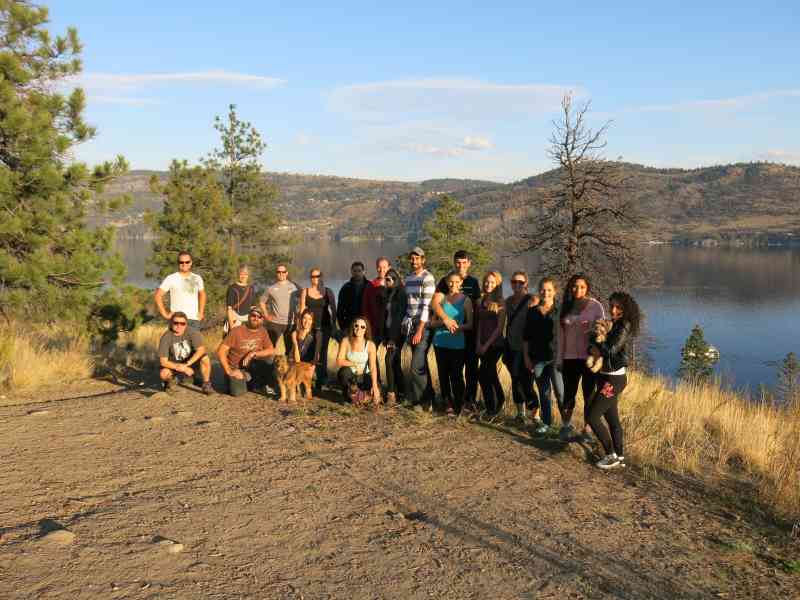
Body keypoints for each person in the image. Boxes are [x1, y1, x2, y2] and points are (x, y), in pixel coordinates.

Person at [588, 291, 641, 469]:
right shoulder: (615, 323)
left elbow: (610, 350)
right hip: (606, 376)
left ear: (625, 309)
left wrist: (594, 341)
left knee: (592, 416)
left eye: (618, 307)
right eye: (611, 305)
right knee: (612, 420)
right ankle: (619, 456)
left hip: (614, 379)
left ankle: (610, 454)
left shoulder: (623, 325)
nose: (613, 309)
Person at [559, 274, 606, 441]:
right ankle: (565, 426)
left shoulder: (595, 306)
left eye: (582, 287)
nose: (578, 290)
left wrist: (598, 353)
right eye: (574, 286)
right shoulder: (565, 306)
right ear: (570, 287)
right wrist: (559, 358)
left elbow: (602, 331)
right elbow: (560, 335)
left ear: (587, 288)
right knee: (569, 394)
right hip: (569, 358)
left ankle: (587, 430)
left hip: (588, 359)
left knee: (589, 395)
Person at [432, 250, 482, 409]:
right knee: (453, 370)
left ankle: (469, 401)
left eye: (464, 262)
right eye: (458, 262)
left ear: (469, 263)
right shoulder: (444, 281)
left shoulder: (473, 282)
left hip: (468, 333)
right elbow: (435, 303)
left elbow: (478, 305)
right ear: (454, 263)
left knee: (471, 369)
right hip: (447, 334)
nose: (461, 265)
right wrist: (445, 319)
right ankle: (451, 400)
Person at [523, 277, 564, 435]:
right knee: (544, 392)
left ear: (554, 291)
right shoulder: (532, 312)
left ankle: (565, 425)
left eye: (549, 290)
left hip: (556, 357)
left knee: (560, 393)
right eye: (543, 289)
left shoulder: (560, 310)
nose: (545, 293)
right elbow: (526, 337)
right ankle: (547, 423)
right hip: (537, 358)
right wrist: (527, 358)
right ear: (539, 291)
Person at [429, 272, 473, 416]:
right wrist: (444, 322)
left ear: (461, 283)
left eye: (456, 282)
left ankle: (459, 403)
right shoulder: (441, 299)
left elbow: (470, 324)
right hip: (440, 342)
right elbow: (431, 322)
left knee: (456, 375)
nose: (453, 284)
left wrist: (457, 327)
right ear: (447, 282)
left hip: (457, 343)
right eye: (450, 282)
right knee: (443, 374)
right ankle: (447, 402)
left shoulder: (466, 300)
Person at [402, 247, 436, 409]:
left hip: (423, 326)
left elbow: (426, 306)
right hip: (410, 324)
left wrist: (420, 329)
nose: (414, 261)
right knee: (421, 365)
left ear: (423, 260)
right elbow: (409, 304)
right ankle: (429, 398)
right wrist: (405, 322)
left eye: (418, 258)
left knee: (416, 366)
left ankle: (421, 401)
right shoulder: (408, 278)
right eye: (412, 258)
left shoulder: (427, 278)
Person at [217, 306, 275, 397]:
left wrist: (253, 353)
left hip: (252, 367)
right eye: (253, 315)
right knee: (237, 392)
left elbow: (271, 350)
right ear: (248, 316)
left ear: (262, 320)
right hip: (236, 368)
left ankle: (255, 382)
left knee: (270, 360)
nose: (256, 318)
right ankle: (249, 382)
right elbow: (221, 351)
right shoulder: (237, 331)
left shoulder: (263, 331)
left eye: (259, 317)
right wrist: (229, 371)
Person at [504, 271, 538, 423]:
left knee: (527, 381)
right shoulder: (508, 301)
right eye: (514, 282)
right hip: (511, 346)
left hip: (527, 348)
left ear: (526, 284)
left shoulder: (532, 300)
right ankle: (520, 414)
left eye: (520, 282)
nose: (517, 285)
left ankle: (535, 415)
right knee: (515, 380)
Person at [299, 268, 337, 393]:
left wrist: (334, 326)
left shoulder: (328, 291)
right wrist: (300, 326)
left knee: (323, 353)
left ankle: (321, 381)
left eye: (318, 276)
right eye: (313, 276)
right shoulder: (305, 291)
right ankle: (306, 380)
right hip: (309, 327)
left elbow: (333, 309)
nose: (315, 278)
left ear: (321, 276)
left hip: (324, 327)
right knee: (308, 352)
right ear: (310, 278)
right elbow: (302, 310)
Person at [157, 311, 213, 395]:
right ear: (171, 323)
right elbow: (163, 361)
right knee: (163, 373)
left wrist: (187, 364)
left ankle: (206, 384)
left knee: (205, 358)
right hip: (175, 364)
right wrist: (181, 368)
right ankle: (170, 383)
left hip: (190, 361)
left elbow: (201, 350)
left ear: (186, 324)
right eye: (176, 323)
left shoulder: (192, 332)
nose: (179, 326)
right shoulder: (166, 337)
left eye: (182, 323)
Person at [476, 271, 506, 420]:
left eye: (492, 282)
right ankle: (499, 400)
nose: (489, 284)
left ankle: (491, 409)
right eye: (487, 282)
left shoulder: (501, 302)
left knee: (483, 374)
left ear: (498, 284)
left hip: (495, 344)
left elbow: (499, 328)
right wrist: (478, 343)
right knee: (491, 374)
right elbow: (480, 322)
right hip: (482, 343)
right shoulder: (482, 300)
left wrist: (486, 345)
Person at [154, 251, 205, 329]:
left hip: (193, 320)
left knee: (194, 341)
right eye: (181, 262)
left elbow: (202, 294)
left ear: (191, 263)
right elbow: (158, 295)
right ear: (178, 263)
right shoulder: (171, 278)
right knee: (175, 341)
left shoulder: (197, 278)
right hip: (177, 320)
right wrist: (165, 314)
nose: (184, 264)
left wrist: (201, 312)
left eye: (187, 262)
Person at [335, 317, 381, 405]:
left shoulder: (370, 345)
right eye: (356, 325)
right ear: (353, 327)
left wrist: (374, 386)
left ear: (366, 329)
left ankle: (360, 397)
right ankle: (348, 397)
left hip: (364, 376)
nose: (359, 328)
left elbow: (373, 367)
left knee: (376, 390)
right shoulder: (345, 341)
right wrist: (354, 364)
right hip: (351, 376)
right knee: (343, 372)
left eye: (362, 327)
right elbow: (339, 361)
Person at [381, 268, 408, 405]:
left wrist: (393, 338)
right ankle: (402, 391)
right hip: (389, 332)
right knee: (395, 363)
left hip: (397, 333)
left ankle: (391, 394)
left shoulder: (401, 293)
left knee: (389, 360)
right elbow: (386, 317)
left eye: (388, 279)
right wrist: (385, 336)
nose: (386, 282)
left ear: (395, 280)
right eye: (385, 279)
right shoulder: (387, 293)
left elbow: (398, 317)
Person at [259, 263, 298, 353]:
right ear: (276, 273)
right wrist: (266, 315)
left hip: (291, 323)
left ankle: (287, 367)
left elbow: (303, 299)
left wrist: (299, 315)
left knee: (290, 351)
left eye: (283, 272)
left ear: (287, 273)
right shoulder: (271, 288)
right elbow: (262, 302)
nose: (281, 274)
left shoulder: (294, 287)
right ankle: (269, 366)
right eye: (279, 272)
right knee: (269, 348)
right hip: (275, 323)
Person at [362, 257, 391, 342]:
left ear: (389, 268)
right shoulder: (370, 286)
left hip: (391, 328)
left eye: (384, 267)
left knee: (393, 354)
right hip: (374, 328)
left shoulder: (396, 286)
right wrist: (368, 325)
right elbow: (365, 308)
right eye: (379, 267)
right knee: (371, 353)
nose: (381, 270)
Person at [337, 261, 368, 333]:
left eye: (359, 271)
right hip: (350, 325)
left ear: (364, 272)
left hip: (366, 325)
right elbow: (340, 310)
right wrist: (343, 327)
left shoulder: (369, 286)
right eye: (355, 271)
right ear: (351, 272)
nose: (357, 273)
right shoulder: (345, 288)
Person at [225, 265, 257, 333]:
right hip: (235, 319)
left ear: (248, 275)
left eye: (245, 274)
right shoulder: (232, 288)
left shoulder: (251, 288)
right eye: (241, 274)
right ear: (238, 274)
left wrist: (254, 322)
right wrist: (231, 326)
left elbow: (253, 307)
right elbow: (229, 308)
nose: (243, 276)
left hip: (247, 319)